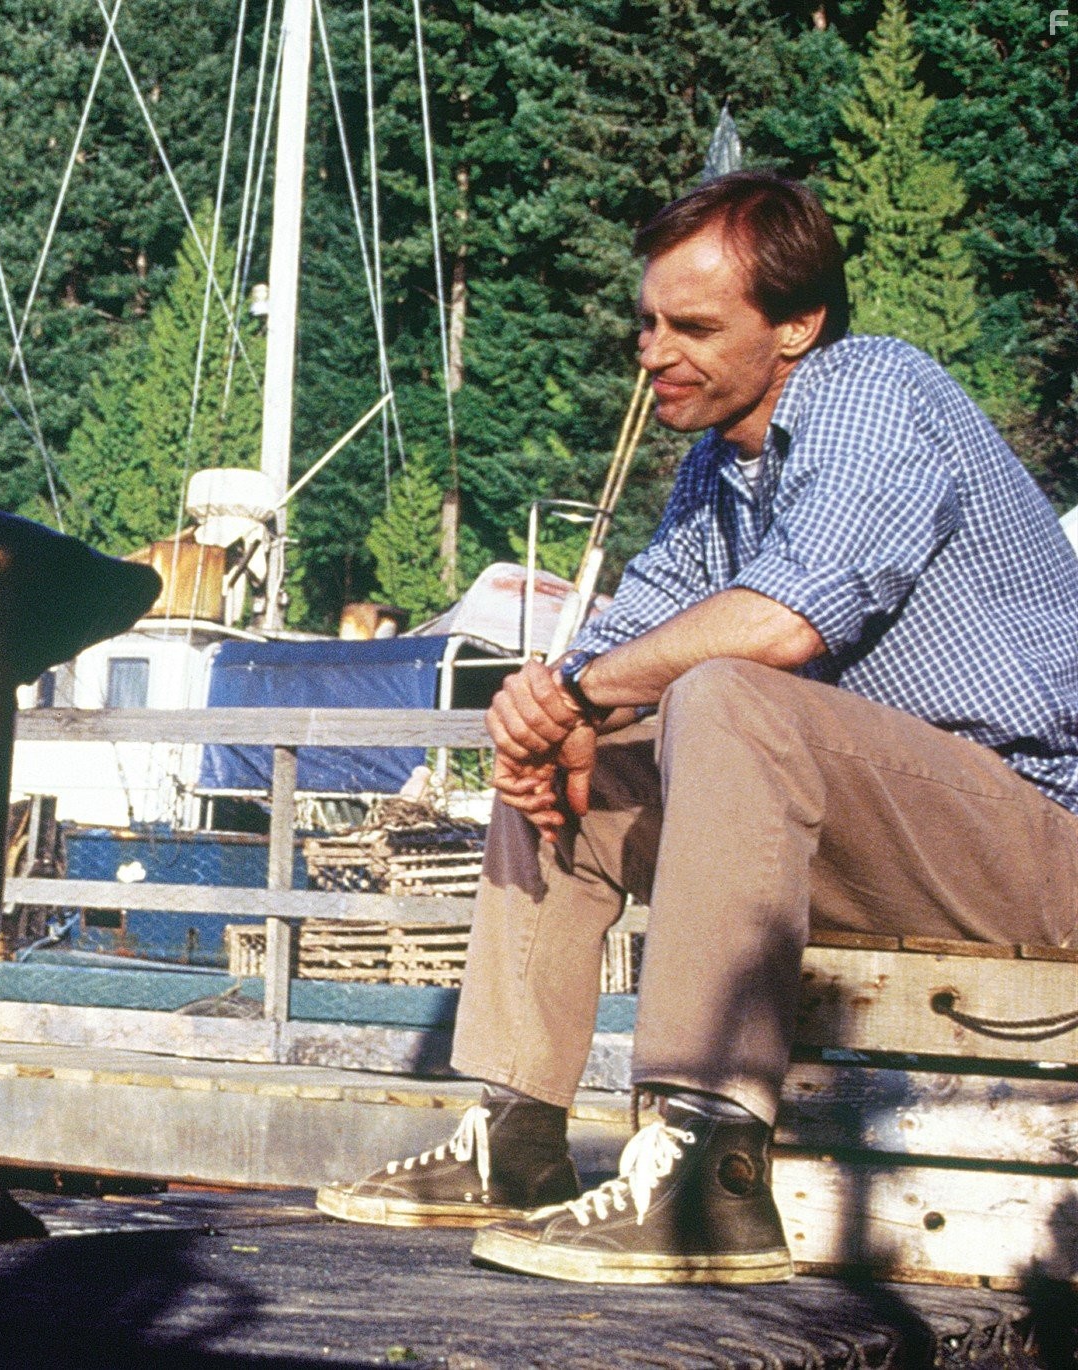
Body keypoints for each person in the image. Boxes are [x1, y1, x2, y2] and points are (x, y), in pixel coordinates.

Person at [317, 170, 1078, 1285]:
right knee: (579, 766)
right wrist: (546, 706)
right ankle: (516, 1135)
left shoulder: (874, 390)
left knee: (721, 691)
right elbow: (635, 628)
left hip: (1030, 841)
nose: (651, 350)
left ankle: (709, 1170)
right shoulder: (716, 468)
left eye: (691, 326)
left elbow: (779, 617)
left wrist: (584, 692)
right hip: (877, 836)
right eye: (646, 321)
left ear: (796, 326)